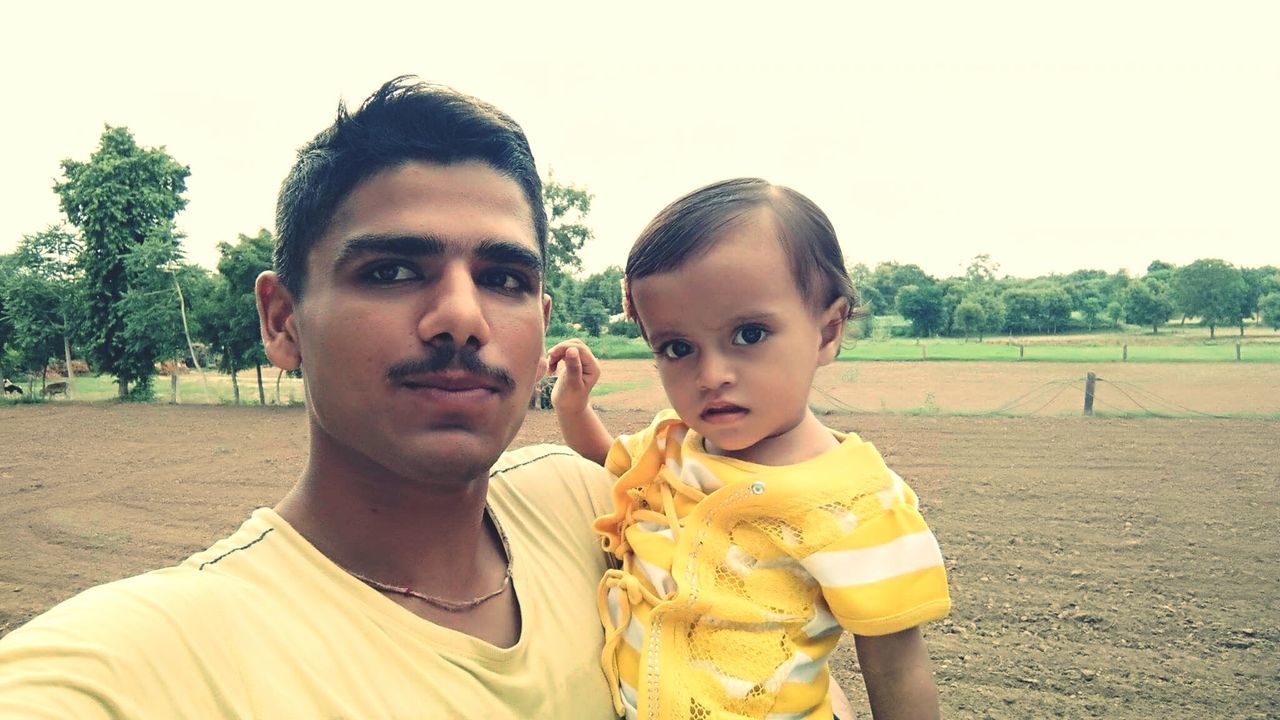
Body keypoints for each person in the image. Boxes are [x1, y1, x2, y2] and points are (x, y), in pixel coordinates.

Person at [0, 77, 620, 717]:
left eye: (503, 278)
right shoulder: (156, 660)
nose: (463, 317)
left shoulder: (591, 508)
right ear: (282, 321)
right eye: (391, 271)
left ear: (543, 320)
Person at [549, 178, 952, 720]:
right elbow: (608, 463)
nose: (711, 375)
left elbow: (896, 666)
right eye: (677, 347)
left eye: (750, 335)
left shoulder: (855, 503)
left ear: (827, 331)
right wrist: (574, 409)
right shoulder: (671, 445)